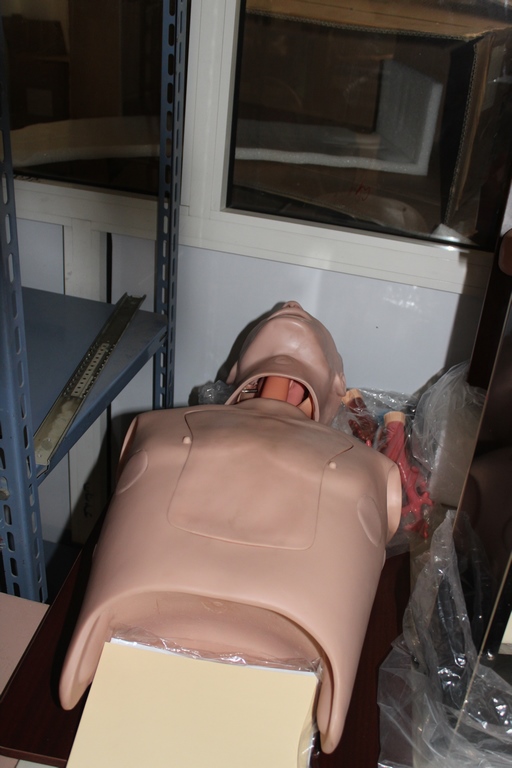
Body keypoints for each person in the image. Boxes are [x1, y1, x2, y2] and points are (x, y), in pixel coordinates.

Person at [60, 301, 401, 755]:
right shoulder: (372, 470)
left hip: (151, 615)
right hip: (287, 640)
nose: (293, 308)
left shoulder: (152, 429)